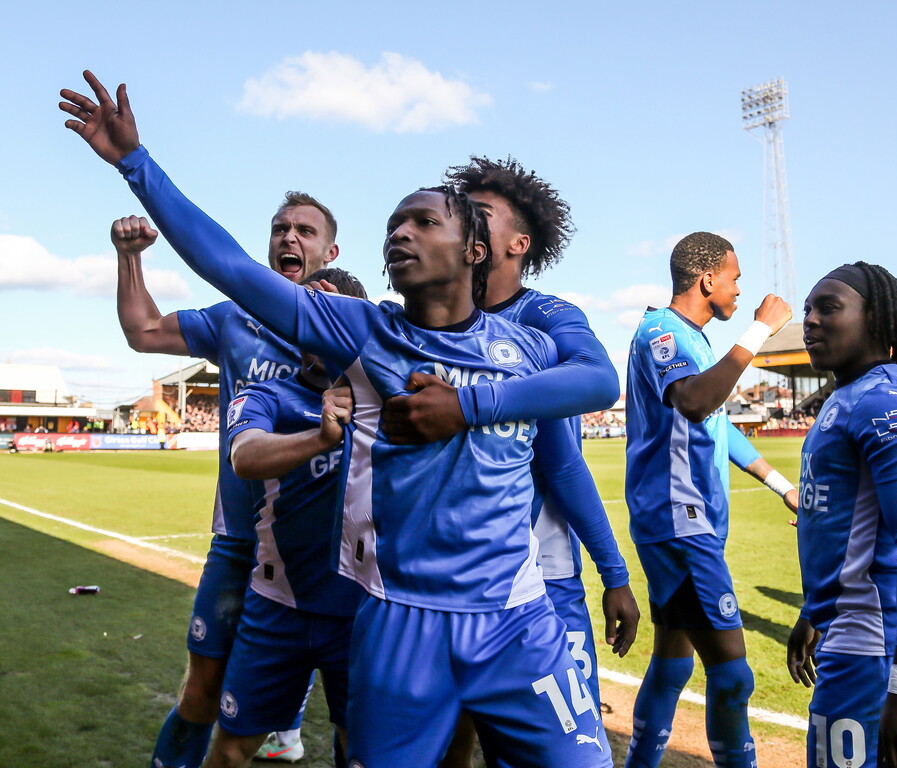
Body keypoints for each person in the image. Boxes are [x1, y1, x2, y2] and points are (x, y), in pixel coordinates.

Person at [61, 70, 617, 768]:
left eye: (424, 221)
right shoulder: (362, 332)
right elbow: (228, 264)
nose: (400, 233)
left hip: (516, 618)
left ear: (474, 251)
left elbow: (599, 381)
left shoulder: (530, 345)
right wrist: (135, 165)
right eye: (394, 225)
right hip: (399, 620)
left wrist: (467, 405)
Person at [398, 156, 639, 768]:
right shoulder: (421, 319)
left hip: (541, 582)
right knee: (446, 746)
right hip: (441, 588)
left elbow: (566, 458)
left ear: (516, 244)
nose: (463, 225)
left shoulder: (545, 320)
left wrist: (612, 574)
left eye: (479, 215)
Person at [108, 198, 338, 765]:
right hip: (240, 545)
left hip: (333, 555)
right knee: (201, 694)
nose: (290, 238)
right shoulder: (236, 319)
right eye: (280, 228)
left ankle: (286, 723)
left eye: (305, 230)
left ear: (330, 252)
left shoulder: (351, 322)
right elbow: (143, 331)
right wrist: (130, 258)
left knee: (364, 715)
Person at [623, 232, 797, 768]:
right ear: (707, 280)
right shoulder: (663, 333)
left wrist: (782, 486)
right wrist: (761, 330)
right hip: (680, 521)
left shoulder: (692, 340)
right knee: (732, 673)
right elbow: (696, 402)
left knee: (673, 664)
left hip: (680, 521)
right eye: (735, 278)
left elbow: (718, 426)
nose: (740, 289)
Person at [205, 268, 368, 768]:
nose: (311, 332)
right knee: (232, 748)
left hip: (364, 613)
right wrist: (320, 438)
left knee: (361, 751)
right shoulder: (265, 396)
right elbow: (245, 456)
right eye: (304, 318)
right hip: (277, 605)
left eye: (327, 316)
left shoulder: (390, 400)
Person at [786, 262, 897, 768]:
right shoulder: (848, 396)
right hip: (853, 631)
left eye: (828, 307)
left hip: (879, 644)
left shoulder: (883, 400)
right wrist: (815, 610)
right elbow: (845, 526)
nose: (810, 319)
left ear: (875, 319)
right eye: (808, 309)